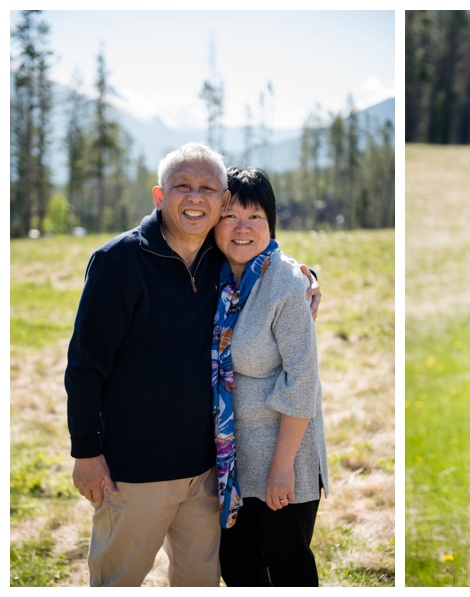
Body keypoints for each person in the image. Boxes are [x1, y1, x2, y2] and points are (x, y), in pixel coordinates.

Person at [65, 143, 320, 587]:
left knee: (201, 581)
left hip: (207, 472)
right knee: (117, 581)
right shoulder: (118, 263)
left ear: (221, 200)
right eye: (182, 186)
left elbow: (265, 256)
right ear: (159, 196)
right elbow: (85, 366)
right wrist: (87, 452)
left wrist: (306, 277)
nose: (196, 197)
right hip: (135, 471)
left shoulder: (217, 261)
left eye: (208, 188)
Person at [212, 167, 327, 587]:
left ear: (271, 223)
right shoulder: (213, 276)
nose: (242, 228)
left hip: (284, 453)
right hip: (229, 456)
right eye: (231, 216)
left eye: (255, 216)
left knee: (289, 570)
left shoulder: (286, 282)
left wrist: (282, 468)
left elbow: (303, 381)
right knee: (239, 568)